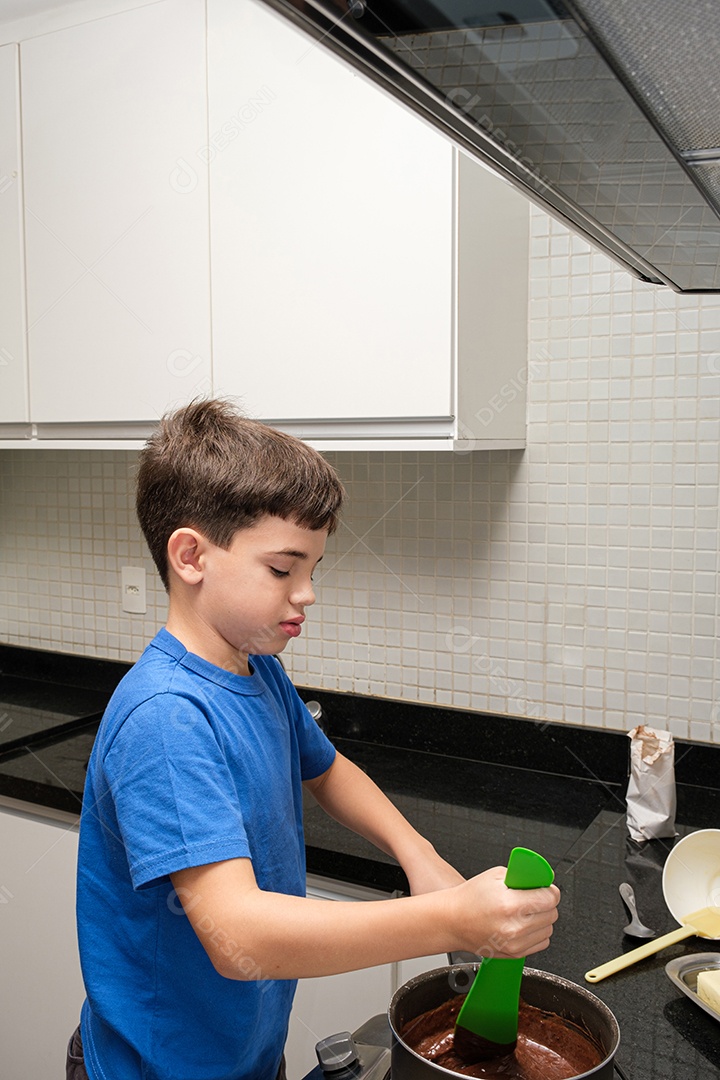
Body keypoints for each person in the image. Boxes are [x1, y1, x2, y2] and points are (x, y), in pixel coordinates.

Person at [68, 398, 560, 1080]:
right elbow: (238, 934)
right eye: (282, 569)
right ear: (190, 556)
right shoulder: (166, 719)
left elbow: (327, 770)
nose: (307, 593)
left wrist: (416, 854)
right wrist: (453, 920)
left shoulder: (254, 668)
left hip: (243, 1055)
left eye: (313, 569)